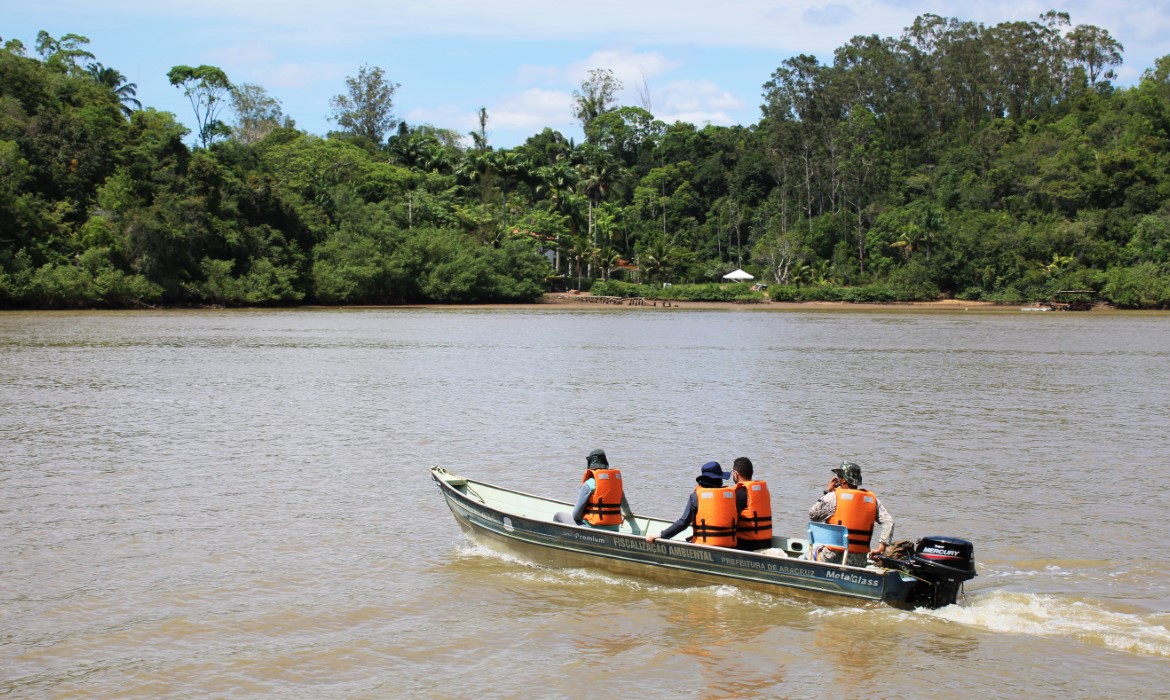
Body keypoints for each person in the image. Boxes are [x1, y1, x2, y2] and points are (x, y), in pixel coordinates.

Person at [808, 461, 894, 567]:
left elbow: (813, 515)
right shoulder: (872, 500)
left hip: (832, 558)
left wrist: (827, 491)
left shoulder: (832, 497)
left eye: (838, 476)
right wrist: (882, 547)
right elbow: (889, 522)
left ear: (843, 480)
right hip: (858, 560)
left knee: (811, 552)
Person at [646, 461, 737, 547]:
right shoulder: (731, 495)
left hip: (705, 546)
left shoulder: (696, 497)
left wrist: (661, 535)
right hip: (729, 544)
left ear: (703, 480)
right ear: (720, 479)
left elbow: (683, 523)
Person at [553, 449, 639, 534]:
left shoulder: (589, 484)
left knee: (558, 516)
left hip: (592, 529)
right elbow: (627, 510)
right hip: (614, 529)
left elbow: (576, 516)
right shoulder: (615, 484)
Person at [731, 457, 773, 551]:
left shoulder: (738, 494)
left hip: (746, 545)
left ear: (735, 474)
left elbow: (727, 520)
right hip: (766, 543)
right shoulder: (763, 491)